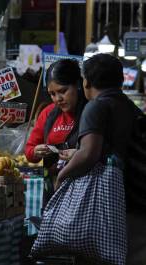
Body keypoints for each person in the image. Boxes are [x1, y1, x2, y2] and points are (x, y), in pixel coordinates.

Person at [55, 54, 136, 264]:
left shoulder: (96, 106)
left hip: (106, 203)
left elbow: (89, 153)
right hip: (132, 200)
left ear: (86, 82)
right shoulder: (130, 106)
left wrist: (62, 176)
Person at [25, 59, 87, 201]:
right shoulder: (48, 113)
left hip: (84, 191)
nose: (58, 99)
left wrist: (80, 155)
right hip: (55, 188)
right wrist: (36, 151)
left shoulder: (90, 112)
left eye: (62, 91)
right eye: (52, 94)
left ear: (77, 84)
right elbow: (29, 150)